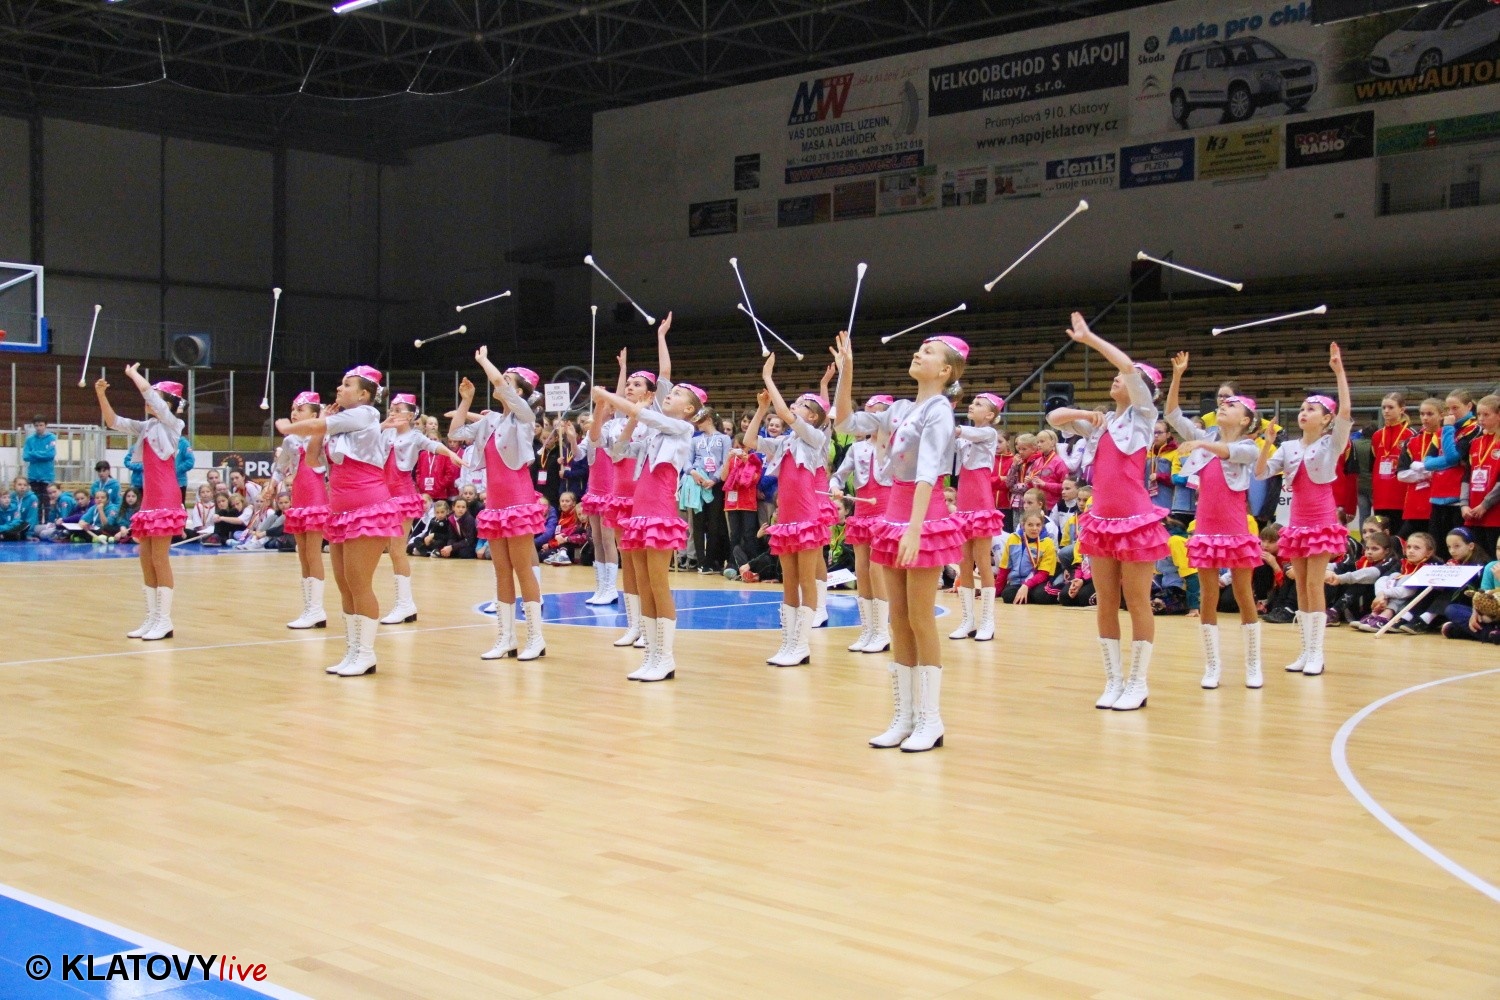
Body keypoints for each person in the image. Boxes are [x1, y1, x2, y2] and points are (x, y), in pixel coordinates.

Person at [835, 329, 966, 752]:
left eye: (928, 352)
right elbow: (845, 423)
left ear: (945, 371)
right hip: (893, 515)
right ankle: (904, 716)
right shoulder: (901, 408)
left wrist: (914, 528)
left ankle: (930, 719)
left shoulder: (939, 410)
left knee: (921, 617)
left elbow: (928, 471)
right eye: (919, 348)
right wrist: (847, 372)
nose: (918, 353)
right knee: (898, 618)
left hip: (923, 517)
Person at [1046, 313, 1170, 711]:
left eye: (1124, 378)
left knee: (1136, 601)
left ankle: (1138, 682)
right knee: (1104, 600)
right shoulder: (1103, 423)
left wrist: (1090, 338)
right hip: (1099, 520)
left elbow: (1128, 366)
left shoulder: (1144, 417)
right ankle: (1114, 679)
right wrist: (1083, 415)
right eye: (1114, 376)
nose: (1117, 378)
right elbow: (1052, 418)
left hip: (1135, 520)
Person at [275, 365, 402, 677]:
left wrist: (289, 427)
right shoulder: (340, 425)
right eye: (341, 384)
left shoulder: (367, 414)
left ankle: (366, 654)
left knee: (359, 583)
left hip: (368, 509)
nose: (340, 389)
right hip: (340, 512)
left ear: (363, 394)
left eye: (347, 385)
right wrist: (319, 429)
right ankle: (352, 651)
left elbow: (314, 425)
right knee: (345, 584)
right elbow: (312, 459)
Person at [594, 337, 704, 683]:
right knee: (642, 584)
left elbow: (644, 413)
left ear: (689, 410)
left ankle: (665, 658)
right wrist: (623, 416)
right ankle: (652, 655)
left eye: (676, 395)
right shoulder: (654, 435)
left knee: (658, 585)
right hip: (639, 513)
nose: (669, 395)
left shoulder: (682, 428)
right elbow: (619, 451)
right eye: (670, 392)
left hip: (659, 513)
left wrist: (609, 396)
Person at [1164, 352, 1266, 689]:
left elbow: (1228, 452)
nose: (1223, 406)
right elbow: (1172, 414)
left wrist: (1200, 442)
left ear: (1246, 420)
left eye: (1232, 405)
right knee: (1207, 595)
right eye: (1223, 403)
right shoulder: (1206, 440)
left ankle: (1253, 664)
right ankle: (1212, 665)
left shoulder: (1249, 446)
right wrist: (1178, 376)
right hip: (1205, 531)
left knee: (1243, 593)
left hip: (1236, 531)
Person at [1255, 343, 1353, 676]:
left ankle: (1317, 653)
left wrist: (1339, 371)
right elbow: (1260, 473)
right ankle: (1305, 650)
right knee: (1299, 586)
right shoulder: (1287, 446)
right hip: (1296, 523)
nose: (1303, 413)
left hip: (1321, 520)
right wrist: (1267, 443)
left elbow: (1345, 413)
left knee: (1314, 585)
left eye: (1311, 409)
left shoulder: (1332, 442)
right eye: (1301, 408)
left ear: (1326, 419)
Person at [449, 351, 550, 662]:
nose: (499, 382)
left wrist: (483, 361)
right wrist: (466, 401)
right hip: (494, 504)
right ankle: (506, 638)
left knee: (523, 569)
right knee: (501, 571)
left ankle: (535, 638)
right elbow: (454, 433)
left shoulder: (524, 416)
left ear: (518, 391)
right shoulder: (490, 420)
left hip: (518, 501)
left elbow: (498, 382)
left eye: (508, 380)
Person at [745, 355, 832, 667]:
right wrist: (761, 409)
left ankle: (802, 645)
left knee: (806, 580)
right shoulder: (784, 443)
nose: (794, 406)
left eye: (801, 405)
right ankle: (789, 642)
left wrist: (768, 377)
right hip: (786, 520)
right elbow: (750, 440)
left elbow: (784, 413)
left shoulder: (815, 438)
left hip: (807, 518)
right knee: (789, 581)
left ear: (813, 417)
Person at [95, 367, 189, 641]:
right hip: (149, 498)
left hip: (166, 496)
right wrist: (101, 395)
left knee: (159, 558)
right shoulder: (147, 427)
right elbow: (113, 421)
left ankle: (164, 620)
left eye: (157, 397)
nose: (148, 401)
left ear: (167, 403)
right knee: (145, 558)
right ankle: (152, 617)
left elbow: (149, 394)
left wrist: (132, 375)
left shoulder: (173, 424)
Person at [379, 393, 466, 625]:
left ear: (410, 415)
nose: (393, 412)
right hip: (383, 494)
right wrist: (382, 426)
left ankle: (404, 604)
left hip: (402, 494)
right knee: (388, 549)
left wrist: (450, 453)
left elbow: (433, 445)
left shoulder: (415, 436)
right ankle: (404, 604)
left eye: (398, 409)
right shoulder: (385, 432)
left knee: (397, 550)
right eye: (391, 408)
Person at [830, 395, 893, 654]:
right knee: (863, 570)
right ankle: (868, 630)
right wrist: (835, 487)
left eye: (876, 414)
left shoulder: (896, 446)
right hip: (862, 516)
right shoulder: (857, 449)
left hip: (886, 515)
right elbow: (838, 475)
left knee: (878, 571)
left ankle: (882, 632)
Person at [266, 391, 332, 629]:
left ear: (314, 415)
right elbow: (280, 467)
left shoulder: (322, 437)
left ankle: (317, 609)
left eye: (300, 409)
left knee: (313, 554)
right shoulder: (290, 441)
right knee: (302, 554)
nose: (294, 413)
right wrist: (272, 485)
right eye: (293, 409)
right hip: (299, 499)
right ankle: (309, 608)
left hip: (316, 498)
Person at [950, 392, 1005, 642]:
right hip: (963, 503)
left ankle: (987, 621)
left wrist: (946, 418)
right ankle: (967, 620)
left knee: (983, 562)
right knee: (963, 563)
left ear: (991, 415)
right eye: (972, 403)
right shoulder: (964, 437)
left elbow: (961, 432)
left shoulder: (989, 433)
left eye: (979, 404)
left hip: (981, 502)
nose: (972, 405)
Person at [581, 391, 621, 606]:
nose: (597, 409)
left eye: (603, 405)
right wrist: (571, 439)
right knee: (596, 539)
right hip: (594, 492)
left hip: (609, 492)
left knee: (607, 540)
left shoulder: (615, 431)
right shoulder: (591, 433)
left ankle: (611, 588)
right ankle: (600, 587)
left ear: (612, 410)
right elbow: (579, 455)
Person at [688, 408, 731, 574]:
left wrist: (714, 479)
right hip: (697, 482)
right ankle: (701, 562)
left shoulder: (724, 439)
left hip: (715, 484)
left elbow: (726, 461)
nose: (697, 424)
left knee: (714, 523)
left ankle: (711, 561)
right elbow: (687, 461)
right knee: (697, 523)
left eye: (700, 420)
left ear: (710, 420)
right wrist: (693, 472)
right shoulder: (695, 440)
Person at [1396, 397, 1444, 540]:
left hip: (1438, 503)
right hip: (1415, 504)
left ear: (1441, 415)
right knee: (1404, 543)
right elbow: (1401, 474)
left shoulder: (1447, 438)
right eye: (1422, 414)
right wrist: (1427, 473)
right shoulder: (1412, 441)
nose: (1425, 418)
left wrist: (1420, 469)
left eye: (1430, 414)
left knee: (1436, 544)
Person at [1459, 394, 1500, 556]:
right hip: (1473, 513)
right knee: (1476, 558)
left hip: (1494, 512)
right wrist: (1464, 504)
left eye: (1486, 414)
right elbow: (1467, 475)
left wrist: (1485, 504)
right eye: (1479, 415)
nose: (1481, 419)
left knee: (1493, 557)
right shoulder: (1475, 443)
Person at [1370, 393, 1413, 528]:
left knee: (1398, 536)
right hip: (1380, 498)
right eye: (1384, 407)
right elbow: (1373, 464)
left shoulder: (1411, 435)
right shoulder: (1377, 436)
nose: (1386, 411)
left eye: (1390, 407)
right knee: (1381, 535)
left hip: (1401, 497)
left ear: (1402, 409)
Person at [997, 511, 1059, 605]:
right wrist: (995, 592)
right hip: (1017, 581)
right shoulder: (1013, 538)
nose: (1034, 528)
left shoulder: (1047, 543)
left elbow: (1044, 573)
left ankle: (1056, 592)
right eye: (1030, 525)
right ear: (1023, 525)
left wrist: (1026, 585)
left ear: (1042, 526)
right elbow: (1004, 568)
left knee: (1041, 596)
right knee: (1007, 596)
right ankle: (1026, 595)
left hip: (1038, 581)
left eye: (1038, 525)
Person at [23, 416, 56, 496]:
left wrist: (33, 453)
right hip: (33, 476)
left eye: (41, 425)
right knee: (34, 500)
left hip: (47, 477)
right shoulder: (29, 439)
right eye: (36, 425)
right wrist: (43, 454)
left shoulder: (51, 438)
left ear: (45, 425)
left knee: (46, 501)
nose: (39, 428)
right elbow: (25, 456)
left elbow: (50, 455)